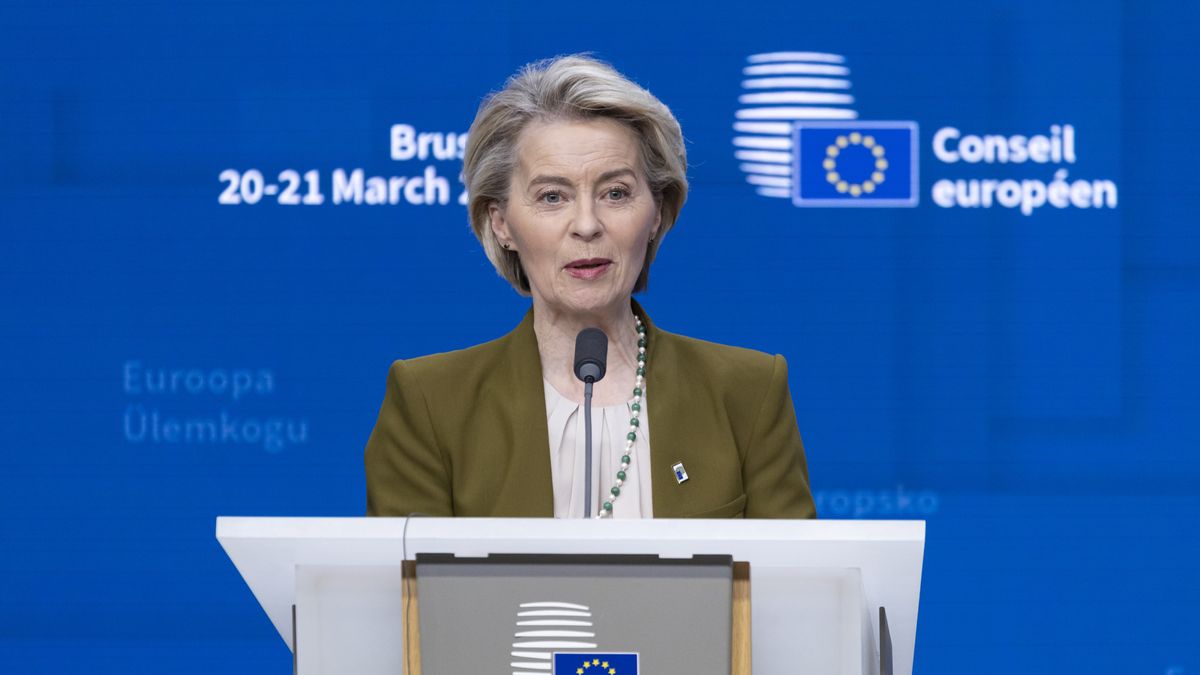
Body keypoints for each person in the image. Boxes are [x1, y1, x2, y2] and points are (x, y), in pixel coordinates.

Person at [365, 54, 815, 519]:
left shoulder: (747, 392)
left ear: (656, 212)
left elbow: (799, 586)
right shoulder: (431, 403)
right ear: (502, 224)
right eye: (552, 196)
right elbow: (410, 590)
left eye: (615, 193)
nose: (586, 225)